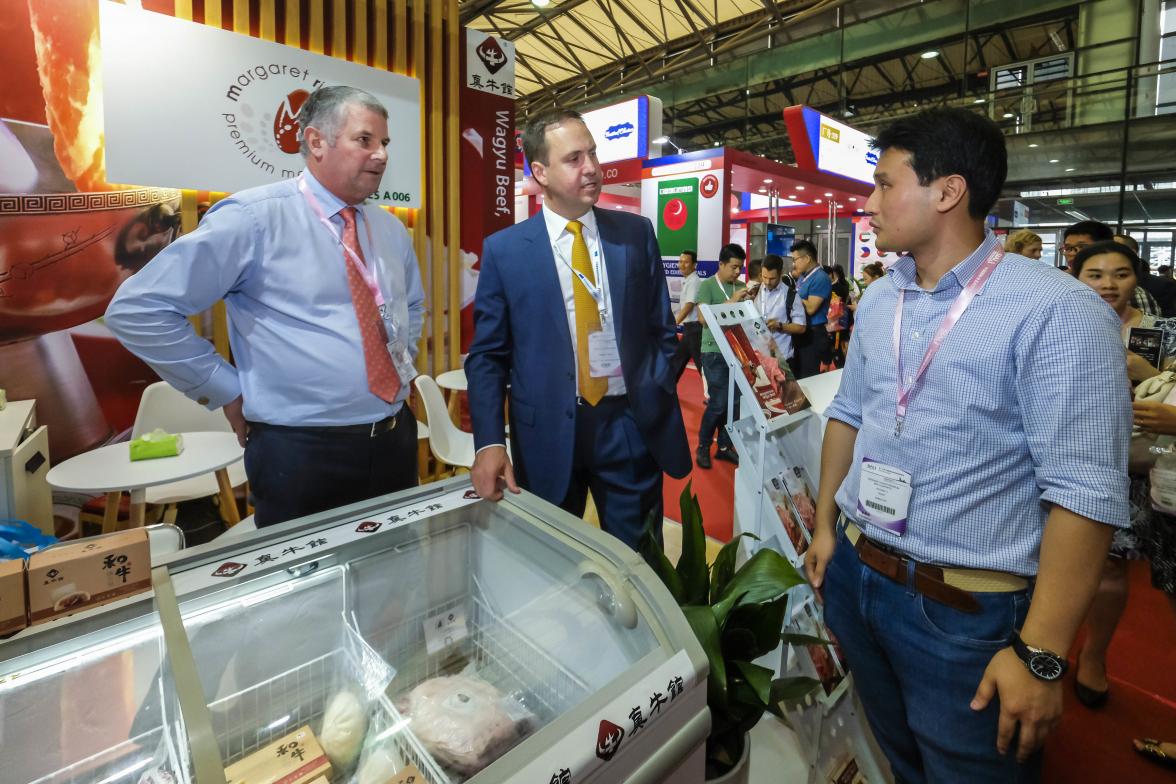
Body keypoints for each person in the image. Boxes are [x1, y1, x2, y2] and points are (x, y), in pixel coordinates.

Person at [805, 107, 1130, 783]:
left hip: (963, 612)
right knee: (897, 758)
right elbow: (851, 414)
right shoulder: (879, 299)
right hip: (859, 576)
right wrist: (826, 528)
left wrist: (1040, 652)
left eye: (885, 184)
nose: (868, 204)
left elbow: (1085, 493)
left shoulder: (1057, 311)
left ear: (946, 192)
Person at [105, 86, 424, 528]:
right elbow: (139, 309)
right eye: (365, 140)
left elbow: (411, 304)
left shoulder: (389, 230)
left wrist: (403, 359)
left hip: (396, 436)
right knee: (307, 591)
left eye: (385, 143)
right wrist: (226, 389)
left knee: (398, 571)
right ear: (316, 142)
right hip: (302, 453)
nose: (381, 155)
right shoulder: (253, 219)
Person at [465, 109, 690, 550]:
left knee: (641, 564)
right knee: (551, 561)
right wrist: (488, 442)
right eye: (573, 158)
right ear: (540, 173)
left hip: (628, 424)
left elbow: (661, 326)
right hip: (545, 430)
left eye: (593, 153)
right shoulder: (507, 251)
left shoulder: (635, 233)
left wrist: (655, 385)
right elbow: (488, 357)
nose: (591, 167)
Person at [1067, 241, 1159, 712]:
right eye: (1095, 274)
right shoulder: (1058, 323)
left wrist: (1148, 376)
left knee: (1110, 566)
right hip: (1058, 459)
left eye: (1120, 274)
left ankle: (1094, 656)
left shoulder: (1160, 334)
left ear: (1136, 279)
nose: (1108, 284)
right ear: (1075, 275)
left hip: (1126, 466)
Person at [694, 244, 751, 469]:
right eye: (734, 267)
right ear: (721, 264)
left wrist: (748, 302)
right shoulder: (707, 286)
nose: (737, 272)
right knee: (718, 403)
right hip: (713, 351)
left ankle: (725, 447)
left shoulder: (741, 286)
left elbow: (744, 319)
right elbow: (703, 319)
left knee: (735, 403)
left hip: (737, 351)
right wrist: (735, 299)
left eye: (740, 268)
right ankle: (703, 446)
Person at [1063, 220, 1161, 316]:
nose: (1072, 253)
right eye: (1068, 248)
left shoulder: (1134, 295)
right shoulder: (1060, 285)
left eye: (1082, 247)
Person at [754, 254, 806, 371]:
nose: (767, 282)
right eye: (764, 277)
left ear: (781, 273)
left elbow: (801, 327)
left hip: (782, 357)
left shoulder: (791, 296)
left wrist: (780, 325)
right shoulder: (757, 290)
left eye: (772, 278)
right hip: (759, 355)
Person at [790, 239, 833, 378]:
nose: (793, 263)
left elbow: (811, 309)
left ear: (807, 258)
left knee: (807, 377)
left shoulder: (820, 278)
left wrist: (792, 296)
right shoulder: (803, 277)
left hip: (813, 335)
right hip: (801, 332)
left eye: (795, 259)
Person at [1116, 232, 1176, 316]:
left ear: (1131, 252)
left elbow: (1166, 322)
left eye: (1114, 248)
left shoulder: (1161, 286)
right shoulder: (1096, 285)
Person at [670, 250, 704, 382]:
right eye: (680, 261)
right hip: (690, 329)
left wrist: (675, 323)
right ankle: (667, 391)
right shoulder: (688, 281)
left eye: (686, 262)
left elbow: (689, 305)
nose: (682, 265)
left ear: (694, 265)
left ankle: (715, 396)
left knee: (702, 366)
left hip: (694, 330)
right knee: (677, 361)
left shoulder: (694, 281)